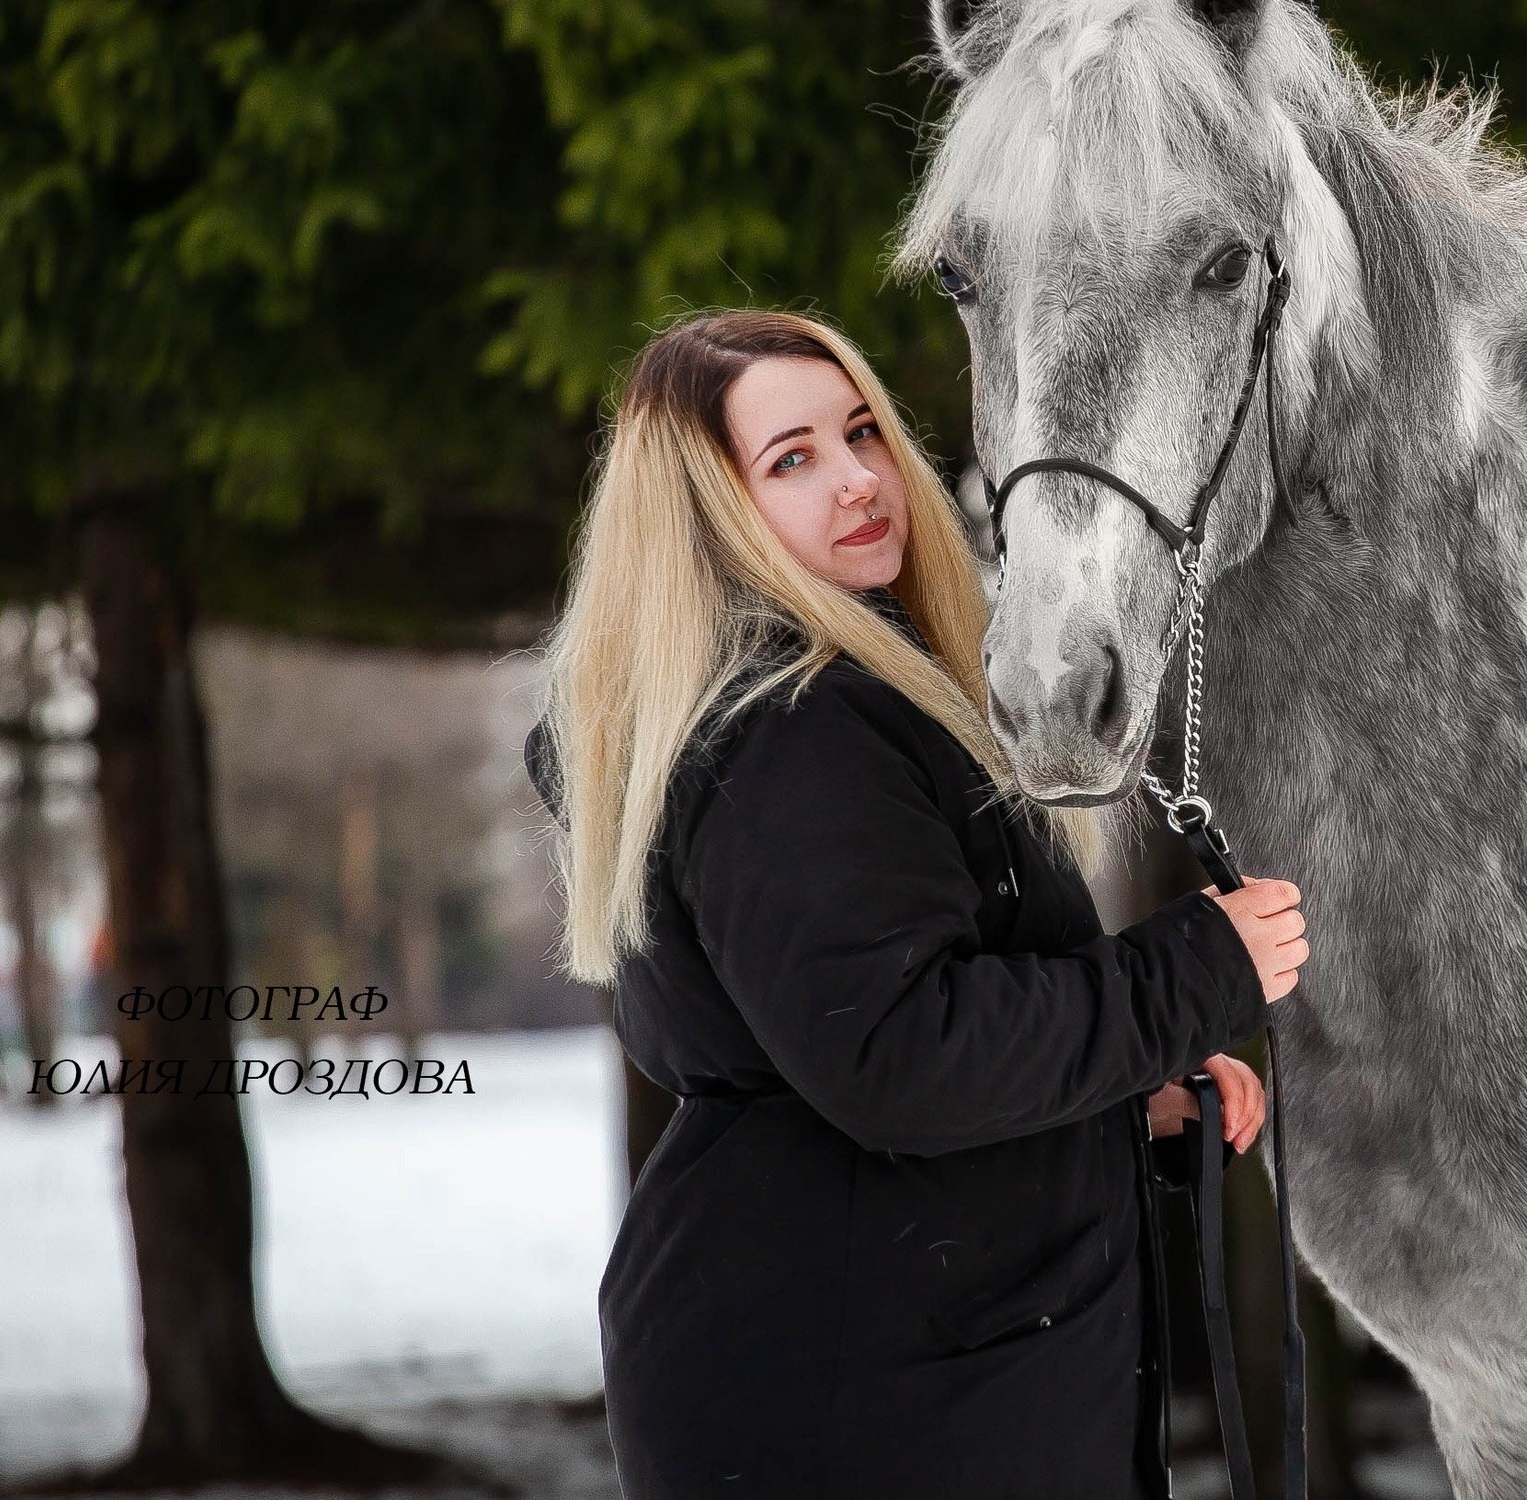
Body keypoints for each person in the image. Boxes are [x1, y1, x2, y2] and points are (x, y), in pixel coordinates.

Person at [524, 308, 1311, 1500]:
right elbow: (898, 1053)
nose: (856, 481)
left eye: (861, 434)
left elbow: (854, 1044)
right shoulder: (793, 726)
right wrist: (1193, 971)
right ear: (705, 512)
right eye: (791, 460)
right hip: (867, 1397)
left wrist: (1111, 1097)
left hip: (895, 1356)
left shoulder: (831, 698)